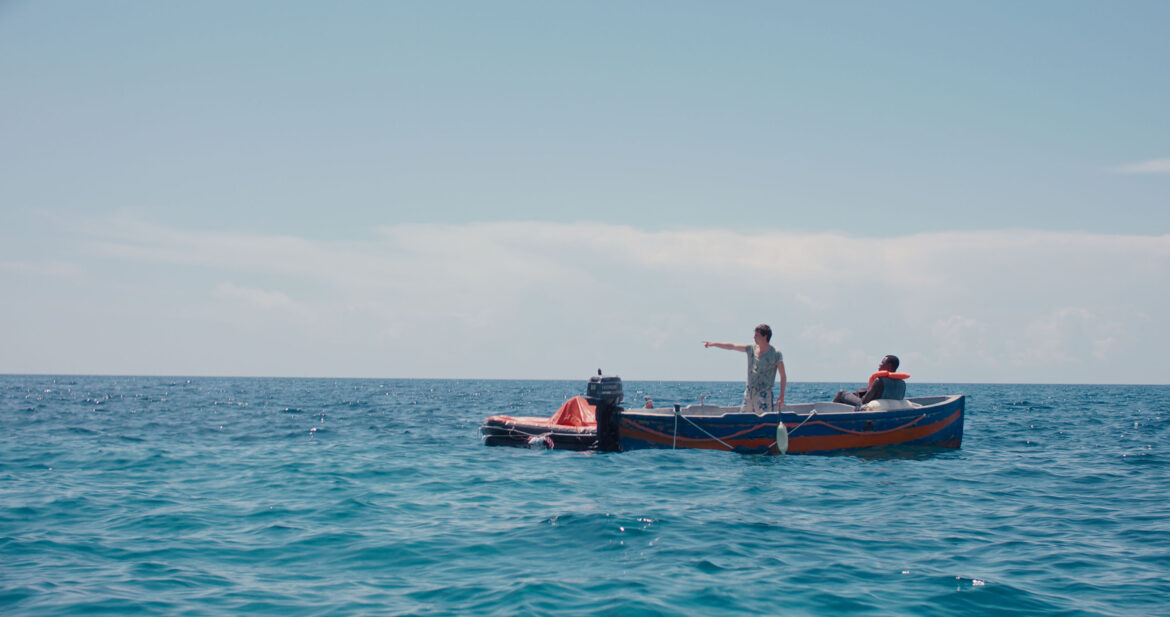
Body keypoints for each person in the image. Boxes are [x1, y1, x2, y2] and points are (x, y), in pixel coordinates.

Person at [703, 324, 787, 413]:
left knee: (765, 419)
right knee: (744, 417)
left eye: (756, 335)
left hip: (764, 394)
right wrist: (713, 344)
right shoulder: (751, 349)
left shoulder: (776, 353)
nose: (754, 337)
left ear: (765, 336)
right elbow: (732, 346)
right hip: (749, 393)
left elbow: (783, 376)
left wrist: (782, 395)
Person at [833, 355, 908, 408]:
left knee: (841, 393)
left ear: (889, 365)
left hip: (867, 405)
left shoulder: (879, 381)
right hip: (884, 404)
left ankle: (828, 413)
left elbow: (864, 402)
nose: (879, 364)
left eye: (882, 362)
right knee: (861, 391)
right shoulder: (902, 383)